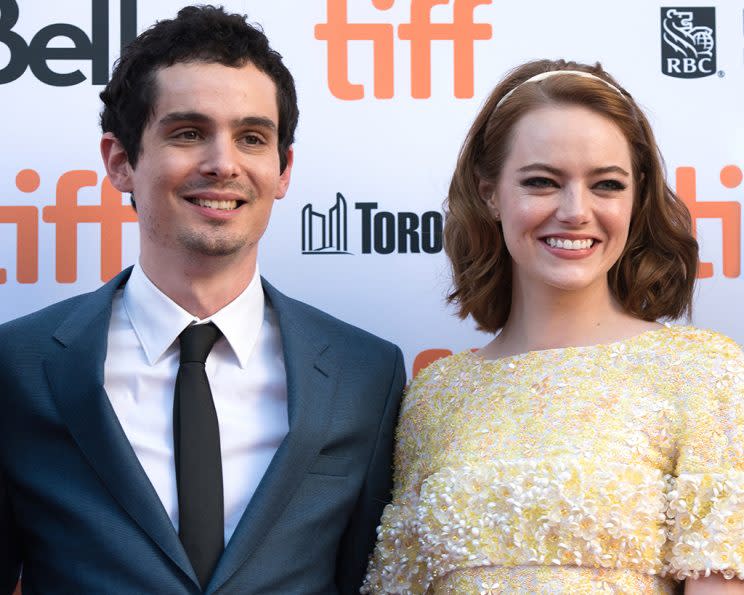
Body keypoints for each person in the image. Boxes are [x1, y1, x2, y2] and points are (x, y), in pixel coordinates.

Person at [0, 6, 405, 594]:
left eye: (252, 138)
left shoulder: (364, 373)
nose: (223, 164)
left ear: (283, 169)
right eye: (188, 133)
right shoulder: (18, 366)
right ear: (120, 161)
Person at [363, 59, 744, 594]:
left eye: (606, 185)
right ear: (490, 193)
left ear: (636, 199)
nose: (575, 211)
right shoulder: (434, 395)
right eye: (542, 181)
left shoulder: (705, 373)